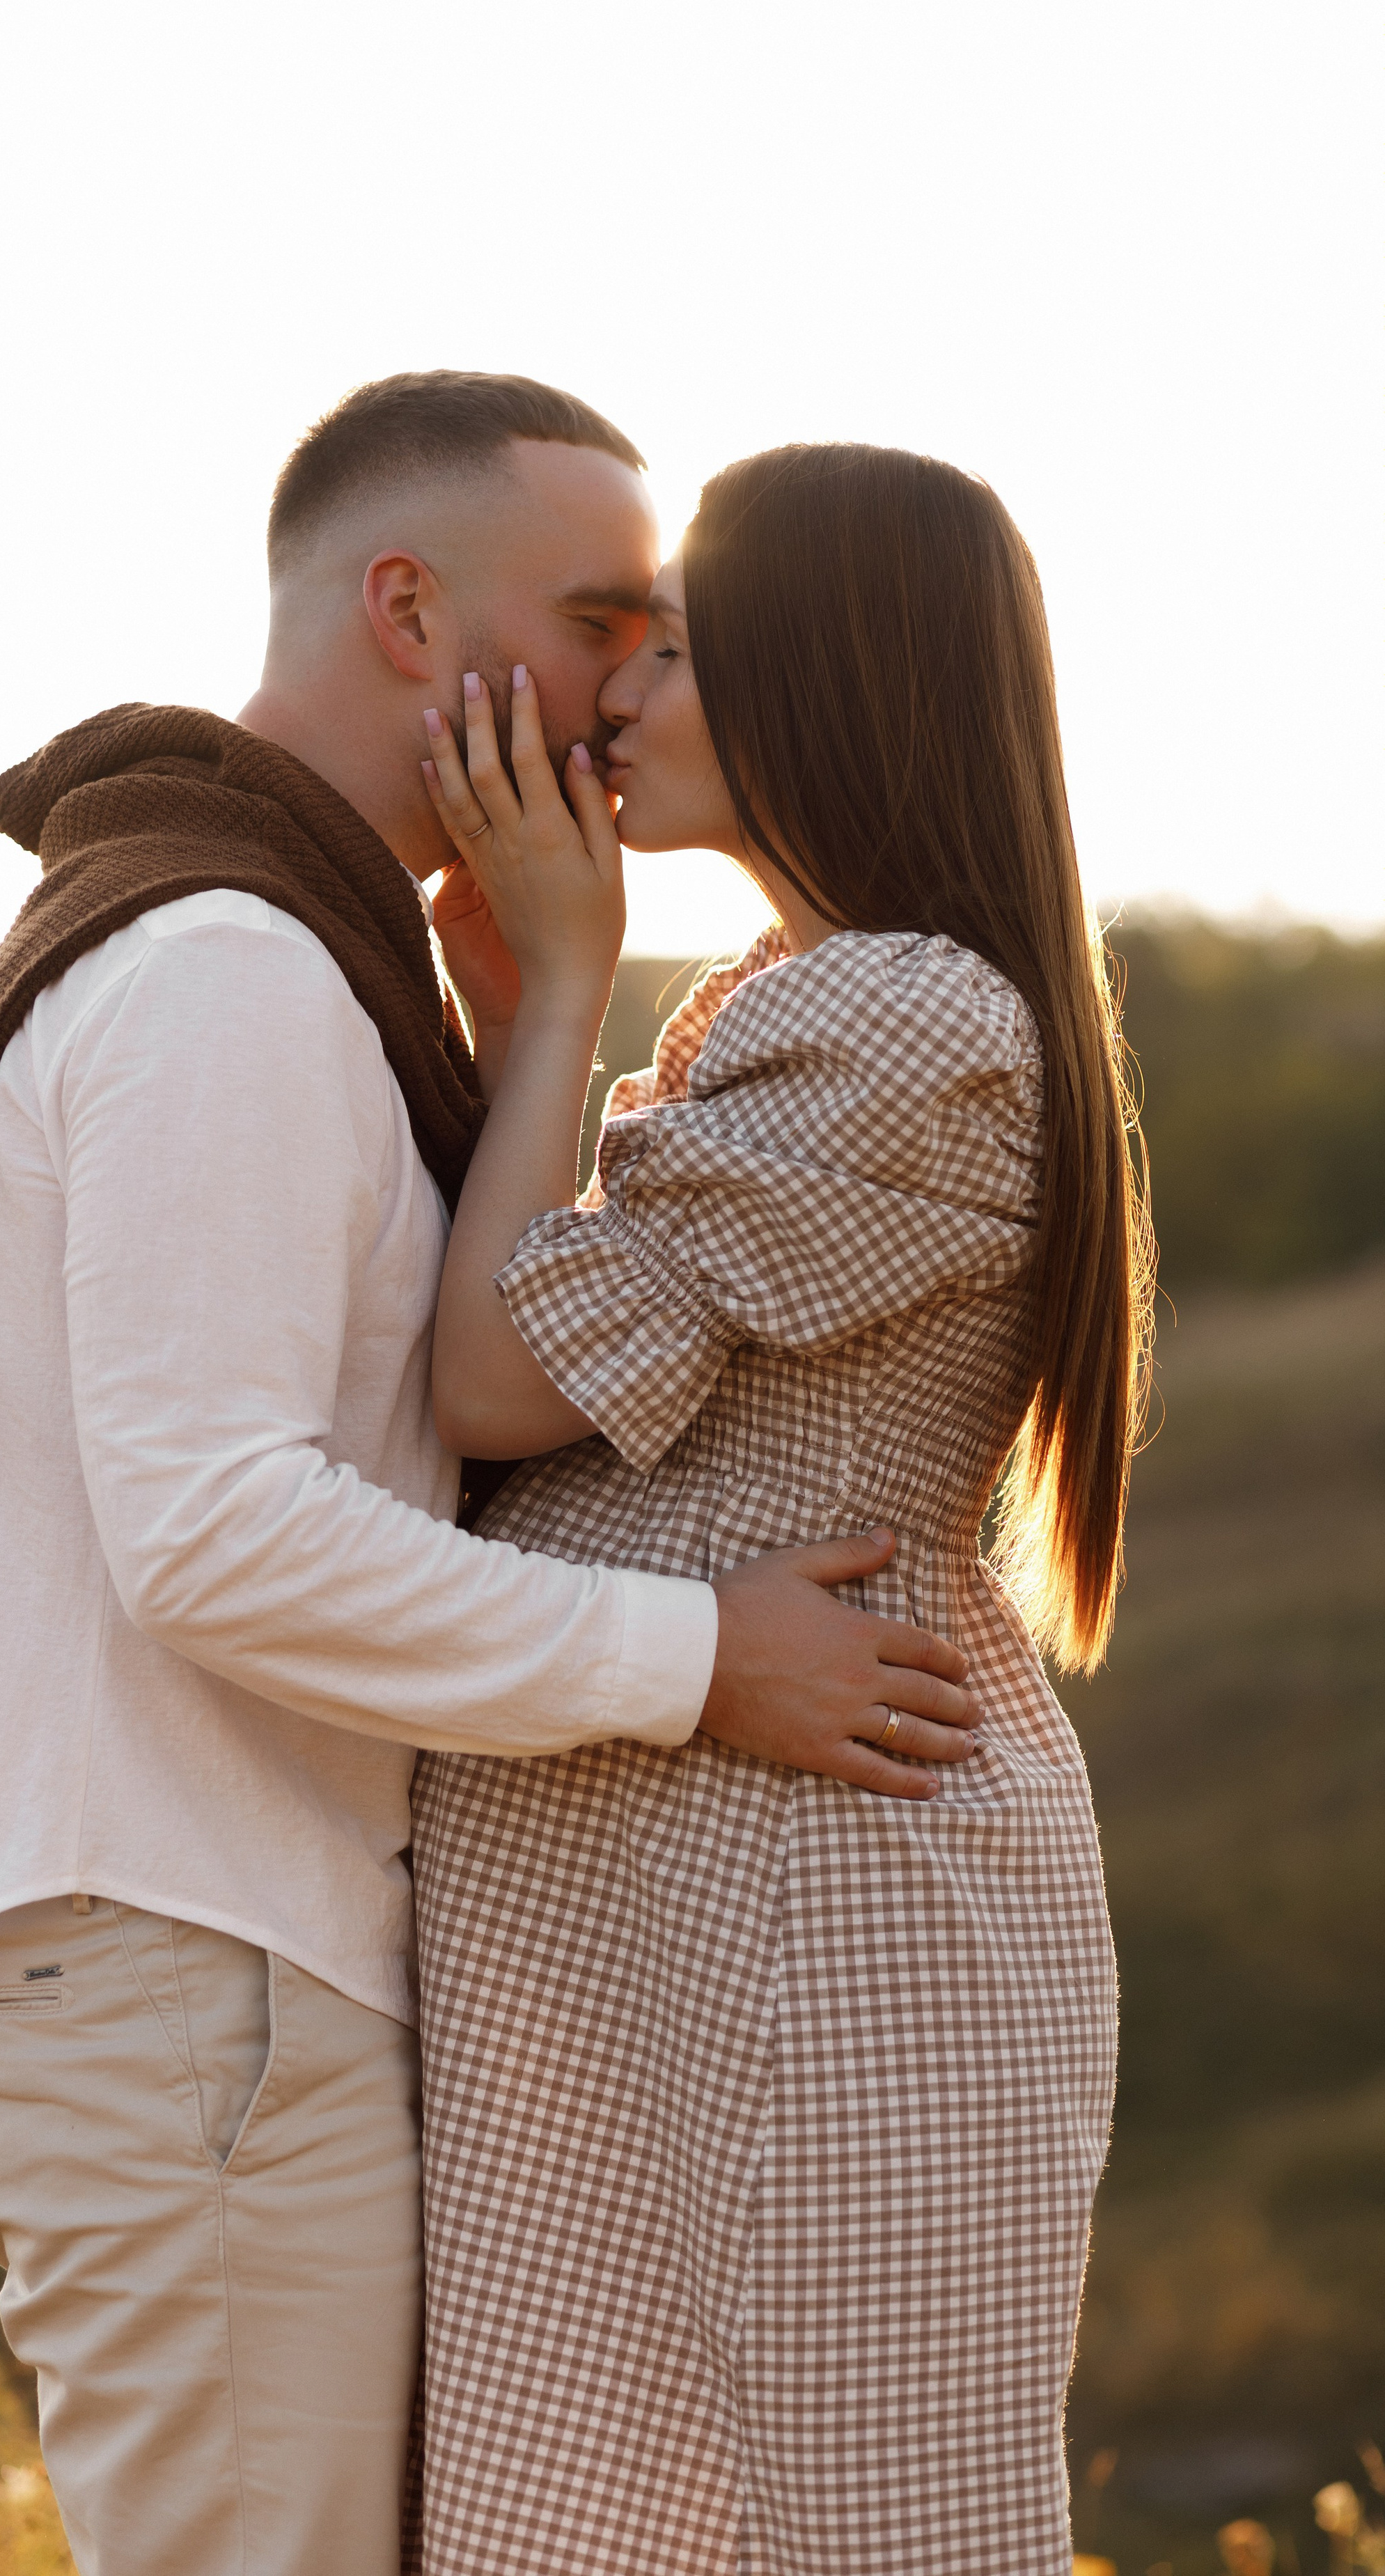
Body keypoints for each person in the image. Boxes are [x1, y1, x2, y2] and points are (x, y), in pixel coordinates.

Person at [0, 380, 981, 2576]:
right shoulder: (233, 976)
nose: (635, 682)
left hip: (187, 1958)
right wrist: (696, 1658)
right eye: (595, 618)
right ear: (405, 609)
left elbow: (414, 1407)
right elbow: (218, 1526)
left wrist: (521, 1029)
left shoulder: (284, 962)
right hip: (180, 1959)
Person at [411, 442, 1152, 2576]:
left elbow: (495, 1381)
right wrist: (520, 1004)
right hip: (723, 1895)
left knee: (815, 2526)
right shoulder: (812, 1007)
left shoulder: (897, 1020)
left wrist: (562, 988)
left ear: (820, 682)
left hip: (806, 1927)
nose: (613, 701)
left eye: (673, 654)